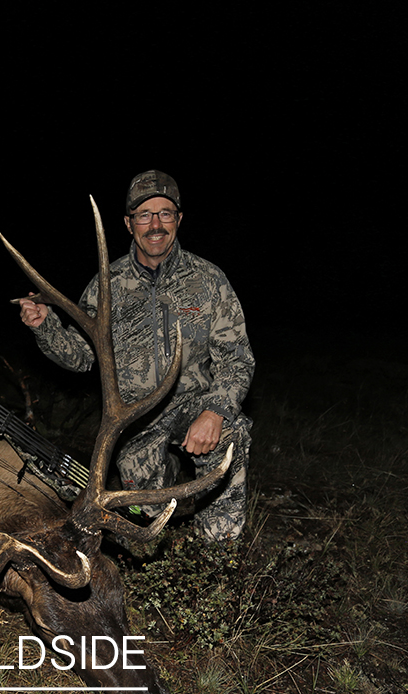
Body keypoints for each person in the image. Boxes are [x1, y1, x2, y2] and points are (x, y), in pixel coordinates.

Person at [18, 169, 252, 543]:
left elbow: (237, 359)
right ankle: (164, 500)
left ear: (178, 219)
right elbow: (80, 356)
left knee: (230, 431)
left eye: (165, 213)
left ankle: (218, 551)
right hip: (134, 420)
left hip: (194, 407)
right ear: (129, 224)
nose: (155, 225)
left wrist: (214, 412)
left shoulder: (209, 280)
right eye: (144, 215)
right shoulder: (107, 285)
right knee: (146, 527)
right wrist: (46, 326)